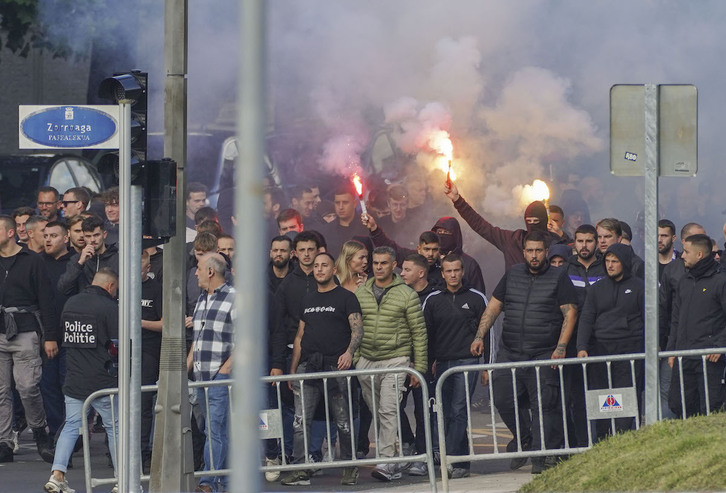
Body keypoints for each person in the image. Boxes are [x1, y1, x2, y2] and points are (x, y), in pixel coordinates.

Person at [470, 231, 578, 474]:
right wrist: (479, 336)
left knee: (544, 406)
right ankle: (525, 437)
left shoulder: (559, 277)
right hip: (510, 352)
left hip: (542, 352)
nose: (534, 255)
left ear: (546, 252)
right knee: (503, 399)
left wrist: (560, 348)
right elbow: (494, 307)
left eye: (539, 250)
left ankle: (542, 459)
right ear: (524, 252)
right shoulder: (513, 274)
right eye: (530, 251)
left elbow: (570, 313)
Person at [280, 252, 363, 487]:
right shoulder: (307, 299)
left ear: (334, 269)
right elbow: (300, 335)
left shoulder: (346, 297)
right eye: (316, 266)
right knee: (300, 420)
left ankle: (349, 467)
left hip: (336, 366)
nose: (319, 269)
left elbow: (357, 330)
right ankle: (299, 468)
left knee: (343, 420)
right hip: (309, 367)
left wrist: (348, 353)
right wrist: (294, 369)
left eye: (324, 265)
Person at [354, 246, 427, 482]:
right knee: (378, 411)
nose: (378, 267)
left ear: (393, 265)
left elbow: (419, 333)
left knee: (388, 410)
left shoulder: (407, 294)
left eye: (383, 263)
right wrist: (356, 361)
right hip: (366, 360)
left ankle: (386, 461)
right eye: (375, 263)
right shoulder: (361, 292)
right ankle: (395, 457)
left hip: (396, 359)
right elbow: (354, 328)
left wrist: (419, 368)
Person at [43, 268, 119, 493]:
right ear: (109, 287)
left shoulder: (71, 304)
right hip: (102, 380)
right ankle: (121, 479)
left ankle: (57, 475)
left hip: (74, 378)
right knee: (114, 428)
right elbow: (117, 345)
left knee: (70, 427)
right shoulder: (109, 307)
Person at [424, 254, 488, 479]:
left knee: (459, 411)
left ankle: (449, 458)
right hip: (441, 364)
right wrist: (427, 363)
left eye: (456, 270)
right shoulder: (432, 300)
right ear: (442, 273)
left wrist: (486, 366)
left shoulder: (477, 297)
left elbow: (487, 333)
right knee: (447, 413)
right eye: (448, 271)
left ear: (463, 272)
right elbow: (427, 335)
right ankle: (461, 463)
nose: (453, 274)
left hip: (467, 362)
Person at [0, 215, 56, 463]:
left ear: (11, 233)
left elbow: (47, 299)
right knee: (0, 391)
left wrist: (50, 337)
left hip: (25, 329)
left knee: (27, 387)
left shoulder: (32, 260)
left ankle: (39, 430)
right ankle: (4, 440)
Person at [577, 243, 644, 438]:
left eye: (615, 261)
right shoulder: (597, 288)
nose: (610, 265)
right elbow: (587, 318)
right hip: (601, 351)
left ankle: (623, 439)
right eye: (607, 261)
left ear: (624, 263)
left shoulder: (639, 286)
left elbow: (649, 317)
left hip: (629, 352)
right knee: (601, 401)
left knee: (627, 399)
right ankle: (602, 441)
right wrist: (581, 346)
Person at [187, 253, 236, 493]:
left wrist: (224, 371)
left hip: (220, 377)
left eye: (198, 268)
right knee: (213, 431)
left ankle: (208, 482)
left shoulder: (235, 298)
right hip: (200, 378)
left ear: (210, 272)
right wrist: (186, 367)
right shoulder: (201, 299)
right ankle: (225, 481)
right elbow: (198, 338)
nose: (195, 272)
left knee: (215, 431)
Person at [667, 234, 726, 418]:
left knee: (710, 407)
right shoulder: (684, 281)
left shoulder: (721, 281)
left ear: (699, 254)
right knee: (677, 404)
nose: (682, 256)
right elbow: (676, 318)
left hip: (709, 358)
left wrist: (720, 345)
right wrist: (672, 351)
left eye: (686, 251)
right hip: (683, 356)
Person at [444, 180, 564, 270]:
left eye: (536, 221)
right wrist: (457, 200)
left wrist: (562, 235)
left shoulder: (556, 243)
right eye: (529, 221)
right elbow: (481, 226)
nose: (532, 224)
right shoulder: (513, 240)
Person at [562, 224, 606, 446]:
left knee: (602, 395)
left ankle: (603, 442)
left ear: (596, 242)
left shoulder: (606, 267)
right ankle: (581, 445)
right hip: (573, 343)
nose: (584, 245)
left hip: (602, 342)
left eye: (589, 241)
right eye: (580, 241)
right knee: (577, 396)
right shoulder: (565, 270)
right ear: (574, 243)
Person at [659, 222, 706, 419]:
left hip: (707, 346)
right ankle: (668, 438)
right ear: (685, 242)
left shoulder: (717, 275)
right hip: (677, 343)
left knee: (705, 396)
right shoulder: (673, 271)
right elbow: (665, 311)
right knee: (670, 394)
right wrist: (666, 348)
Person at [40, 221, 75, 442]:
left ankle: (72, 433)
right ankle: (56, 433)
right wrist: (48, 336)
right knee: (48, 385)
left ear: (66, 238)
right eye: (45, 235)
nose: (48, 239)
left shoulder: (75, 262)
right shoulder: (37, 262)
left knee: (68, 386)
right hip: (46, 335)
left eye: (53, 235)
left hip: (72, 334)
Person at [364, 214, 444, 291]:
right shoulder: (410, 259)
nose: (430, 254)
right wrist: (374, 229)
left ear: (439, 250)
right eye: (426, 249)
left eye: (434, 250)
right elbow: (390, 248)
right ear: (419, 249)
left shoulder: (444, 266)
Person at [140, 250, 163, 474]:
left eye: (140, 268)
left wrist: (138, 322)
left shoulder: (156, 289)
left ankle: (143, 452)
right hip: (120, 352)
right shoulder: (119, 286)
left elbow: (165, 324)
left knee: (144, 404)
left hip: (148, 351)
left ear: (148, 269)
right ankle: (117, 450)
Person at [57, 215, 119, 297]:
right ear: (84, 237)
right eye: (88, 236)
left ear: (104, 235)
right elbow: (63, 288)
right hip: (85, 306)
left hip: (110, 306)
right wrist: (80, 264)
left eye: (96, 235)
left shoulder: (117, 259)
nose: (92, 240)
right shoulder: (77, 259)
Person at [432, 216, 486, 294]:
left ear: (455, 235)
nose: (442, 235)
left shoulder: (469, 264)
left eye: (446, 232)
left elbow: (479, 294)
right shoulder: (430, 261)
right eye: (439, 232)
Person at [322, 185, 368, 258]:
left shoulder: (366, 228)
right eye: (337, 203)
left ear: (354, 203)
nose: (340, 207)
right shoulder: (326, 231)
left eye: (345, 202)